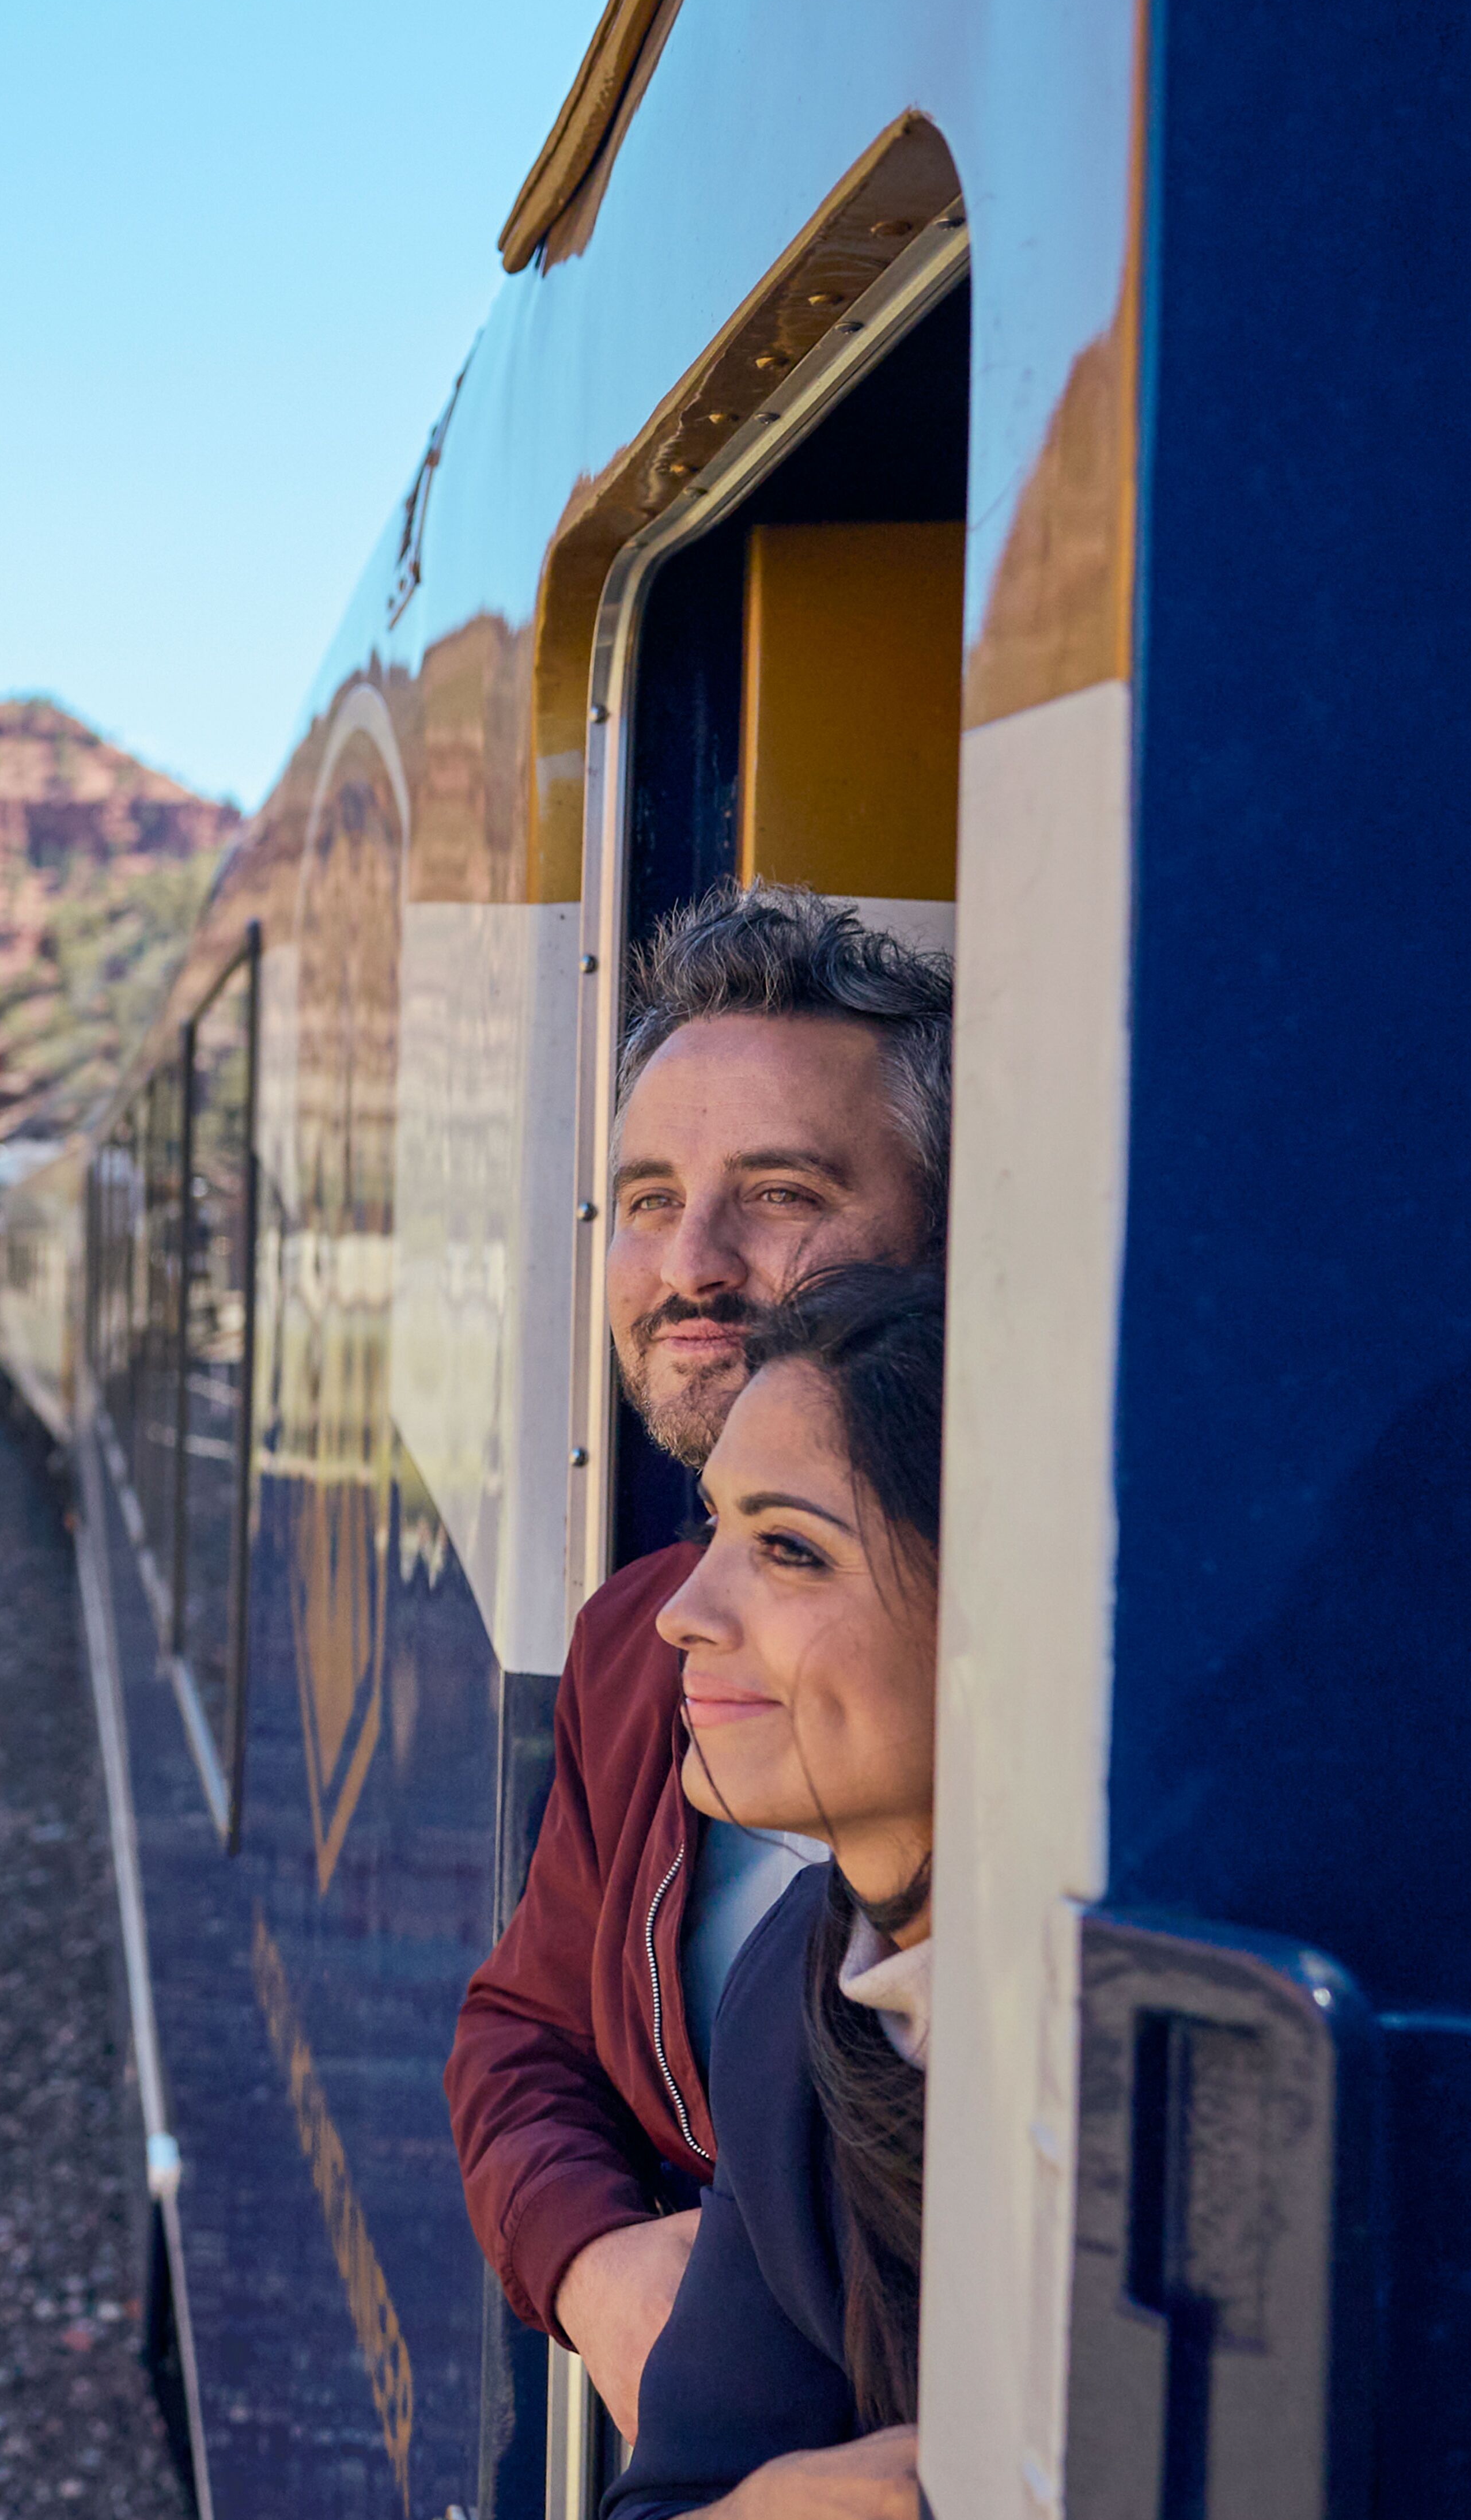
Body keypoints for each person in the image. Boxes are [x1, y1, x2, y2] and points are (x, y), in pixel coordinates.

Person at [442, 882, 952, 2441]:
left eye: (781, 1191)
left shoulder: (1060, 1680)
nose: (691, 1263)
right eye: (646, 1196)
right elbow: (523, 2032)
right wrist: (594, 2267)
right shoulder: (637, 1631)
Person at [608, 1262, 943, 2520]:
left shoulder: (1158, 2059)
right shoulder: (796, 1998)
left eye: (790, 1550)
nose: (683, 1613)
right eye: (716, 1531)